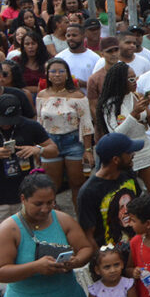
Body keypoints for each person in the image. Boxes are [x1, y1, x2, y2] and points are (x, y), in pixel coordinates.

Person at [0, 94, 59, 297]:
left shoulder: (29, 126)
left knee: (31, 240)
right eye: (4, 122)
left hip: (26, 195)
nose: (9, 126)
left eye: (12, 121)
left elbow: (53, 149)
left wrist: (38, 150)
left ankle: (30, 281)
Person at [36, 57, 95, 205]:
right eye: (53, 71)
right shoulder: (42, 95)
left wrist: (87, 150)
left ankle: (80, 220)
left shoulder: (78, 96)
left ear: (67, 74)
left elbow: (86, 124)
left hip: (73, 142)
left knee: (77, 184)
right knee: (51, 186)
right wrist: (38, 148)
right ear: (48, 74)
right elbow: (39, 122)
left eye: (61, 71)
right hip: (50, 142)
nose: (57, 75)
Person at [77, 132, 145, 253]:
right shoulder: (88, 192)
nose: (133, 155)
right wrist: (104, 263)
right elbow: (88, 236)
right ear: (116, 160)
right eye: (129, 153)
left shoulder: (127, 174)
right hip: (111, 260)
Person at [97, 62, 150, 194]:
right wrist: (134, 114)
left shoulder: (136, 96)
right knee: (129, 192)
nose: (135, 82)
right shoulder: (109, 104)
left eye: (135, 78)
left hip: (144, 147)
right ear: (120, 81)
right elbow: (115, 134)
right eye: (131, 79)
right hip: (124, 152)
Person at [55, 23, 100, 91]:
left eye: (74, 35)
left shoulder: (95, 58)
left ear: (83, 36)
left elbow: (100, 84)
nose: (71, 38)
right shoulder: (59, 58)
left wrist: (83, 84)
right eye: (68, 35)